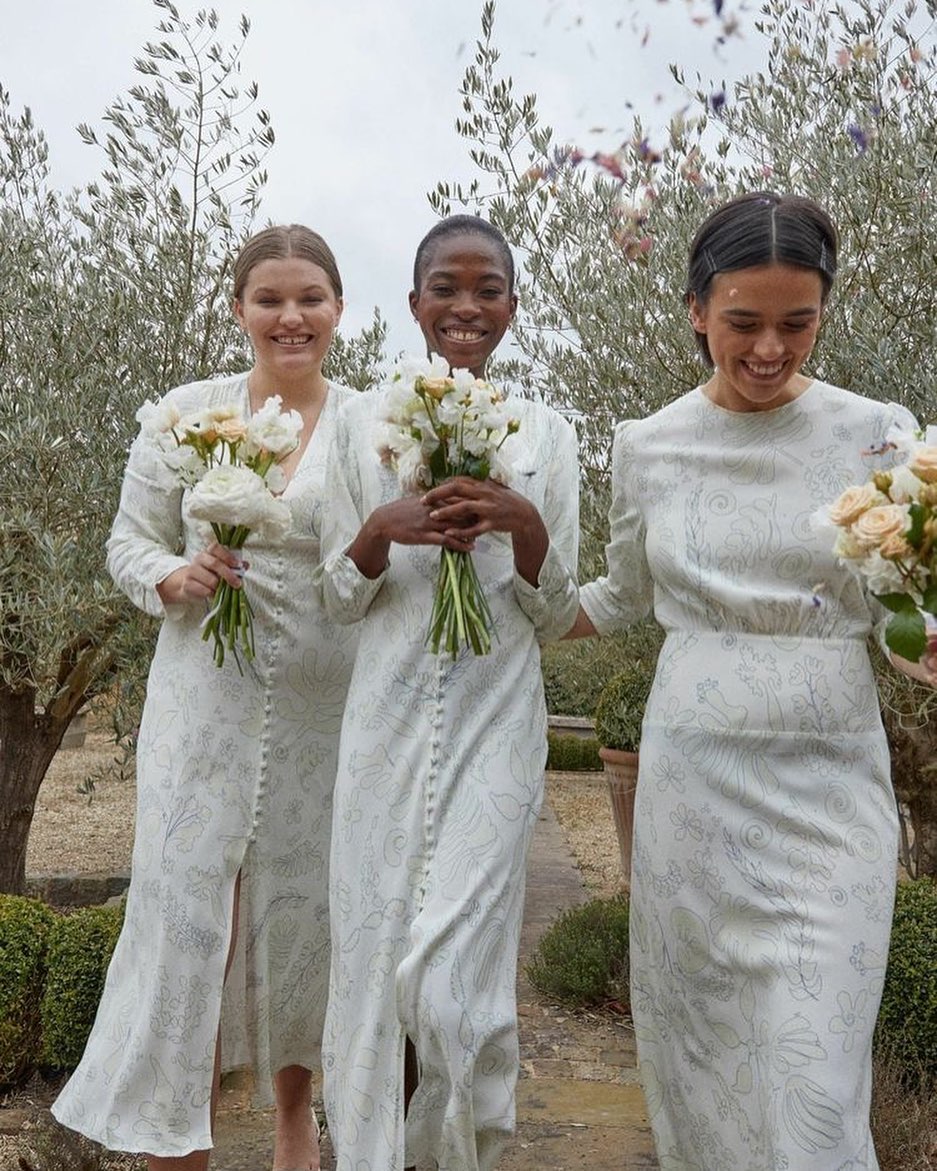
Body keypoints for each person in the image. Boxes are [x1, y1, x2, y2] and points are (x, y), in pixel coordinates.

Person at [565, 191, 937, 1168]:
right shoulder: (645, 445)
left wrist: (924, 643)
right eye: (743, 323)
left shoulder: (878, 435)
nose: (770, 347)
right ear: (695, 310)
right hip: (694, 795)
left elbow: (897, 611)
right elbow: (614, 598)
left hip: (829, 791)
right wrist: (488, 587)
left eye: (796, 322)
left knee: (813, 1085)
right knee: (707, 1067)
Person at [52, 224, 359, 1171]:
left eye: (310, 297)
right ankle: (169, 1134)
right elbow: (126, 542)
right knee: (188, 913)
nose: (290, 316)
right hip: (202, 700)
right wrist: (172, 577)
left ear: (339, 310)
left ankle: (295, 1125)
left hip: (325, 706)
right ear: (239, 310)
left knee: (307, 911)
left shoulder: (368, 424)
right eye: (269, 298)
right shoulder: (183, 415)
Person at [316, 214, 580, 1171]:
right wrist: (380, 531)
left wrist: (526, 526)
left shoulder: (548, 432)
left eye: (489, 289)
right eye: (446, 288)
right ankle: (372, 1154)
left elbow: (557, 617)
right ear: (414, 300)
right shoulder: (359, 424)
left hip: (496, 728)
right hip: (383, 730)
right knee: (375, 968)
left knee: (454, 985)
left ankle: (459, 1151)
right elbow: (336, 596)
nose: (467, 308)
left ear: (514, 303)